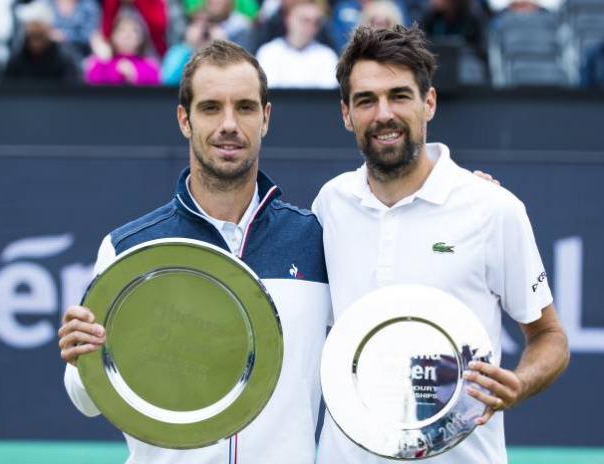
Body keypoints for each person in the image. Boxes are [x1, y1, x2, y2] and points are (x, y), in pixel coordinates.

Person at [59, 40, 331, 464]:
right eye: (210, 108)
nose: (229, 124)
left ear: (266, 118)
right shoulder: (128, 249)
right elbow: (87, 399)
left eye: (244, 107)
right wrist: (81, 359)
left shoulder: (316, 241)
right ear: (185, 119)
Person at [312, 25, 569, 464]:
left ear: (428, 102)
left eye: (399, 95)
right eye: (366, 100)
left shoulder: (492, 208)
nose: (383, 114)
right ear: (346, 113)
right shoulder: (329, 205)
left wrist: (518, 383)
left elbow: (549, 337)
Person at [256, 0, 338, 88]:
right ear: (289, 19)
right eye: (305, 20)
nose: (310, 26)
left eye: (316, 22)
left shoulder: (327, 57)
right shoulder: (268, 53)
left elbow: (328, 97)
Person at [5, 0, 81, 83]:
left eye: (39, 24)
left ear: (49, 28)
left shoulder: (65, 57)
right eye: (31, 26)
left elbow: (73, 89)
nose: (35, 29)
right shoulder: (17, 58)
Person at [85, 10, 160, 86]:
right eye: (122, 30)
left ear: (141, 38)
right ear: (112, 35)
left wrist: (134, 75)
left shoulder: (149, 66)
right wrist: (104, 61)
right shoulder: (101, 63)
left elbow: (155, 84)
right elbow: (92, 82)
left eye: (134, 31)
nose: (127, 35)